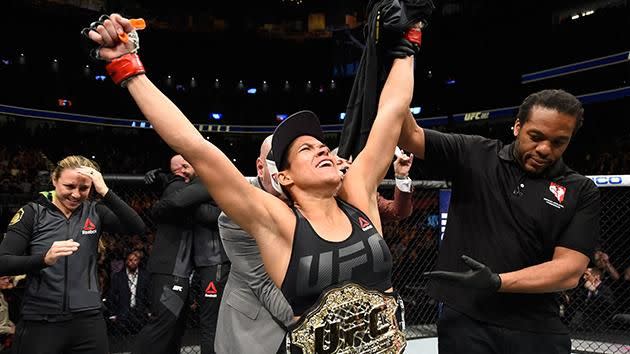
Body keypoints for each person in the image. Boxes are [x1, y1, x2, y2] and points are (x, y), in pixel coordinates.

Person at [85, 13, 419, 353]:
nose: (322, 150)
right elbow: (196, 148)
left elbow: (392, 110)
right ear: (283, 177)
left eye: (322, 146)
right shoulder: (277, 223)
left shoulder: (359, 197)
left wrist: (410, 39)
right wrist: (128, 67)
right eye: (306, 148)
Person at [397, 89, 601, 353]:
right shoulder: (476, 153)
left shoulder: (580, 190)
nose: (544, 149)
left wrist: (498, 282)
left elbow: (570, 270)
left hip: (537, 327)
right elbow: (408, 134)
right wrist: (399, 61)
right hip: (466, 322)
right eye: (536, 137)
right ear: (517, 126)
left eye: (558, 142)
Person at [0, 155, 146, 354]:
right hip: (41, 319)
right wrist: (43, 259)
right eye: (69, 186)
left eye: (84, 188)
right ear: (54, 180)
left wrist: (105, 191)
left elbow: (137, 227)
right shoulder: (33, 213)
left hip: (88, 321)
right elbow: (3, 261)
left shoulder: (96, 211)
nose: (76, 195)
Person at [215, 135, 294, 354]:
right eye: (279, 163)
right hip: (254, 329)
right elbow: (265, 284)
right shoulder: (238, 210)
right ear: (261, 167)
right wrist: (316, 322)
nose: (286, 172)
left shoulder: (305, 194)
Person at [150, 156, 229, 354]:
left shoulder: (209, 180)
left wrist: (170, 192)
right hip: (196, 265)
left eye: (185, 166)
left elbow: (211, 215)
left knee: (211, 323)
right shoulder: (190, 188)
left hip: (215, 261)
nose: (182, 172)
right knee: (194, 320)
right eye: (176, 171)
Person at [133, 154, 195, 354]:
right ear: (175, 171)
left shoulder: (176, 187)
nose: (185, 171)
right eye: (181, 168)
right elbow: (198, 190)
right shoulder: (177, 188)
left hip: (177, 270)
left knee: (174, 326)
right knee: (163, 324)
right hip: (171, 270)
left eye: (187, 166)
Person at [333, 147, 414, 223]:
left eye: (350, 163)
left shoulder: (367, 196)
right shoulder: (323, 197)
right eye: (339, 163)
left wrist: (401, 176)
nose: (346, 166)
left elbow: (398, 212)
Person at [106, 250, 150, 336]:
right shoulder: (118, 276)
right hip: (122, 313)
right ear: (126, 261)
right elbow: (112, 295)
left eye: (135, 260)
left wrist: (149, 311)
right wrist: (113, 314)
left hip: (140, 313)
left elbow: (149, 294)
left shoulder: (145, 275)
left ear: (139, 261)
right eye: (130, 260)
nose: (132, 263)